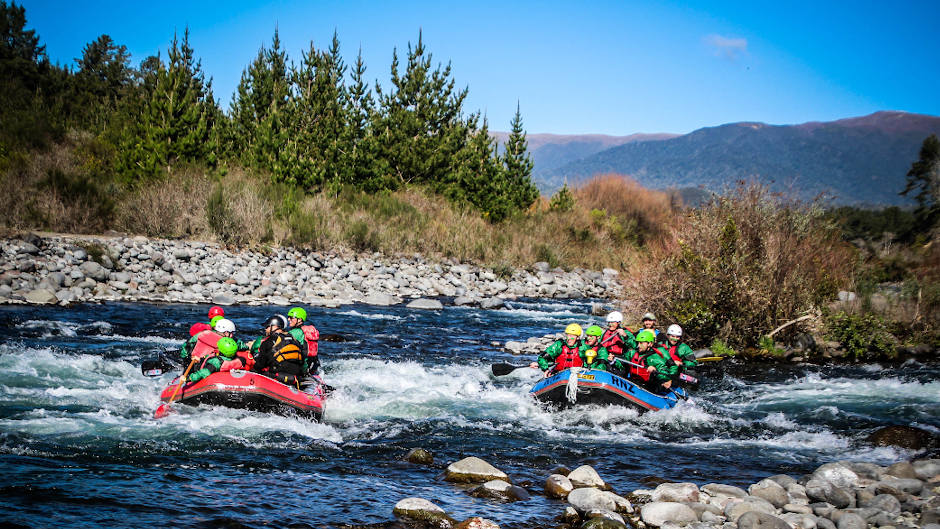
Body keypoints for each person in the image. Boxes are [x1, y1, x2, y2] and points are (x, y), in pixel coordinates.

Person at [252, 314, 305, 388]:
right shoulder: (294, 340)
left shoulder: (268, 342)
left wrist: (251, 371)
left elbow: (260, 365)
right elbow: (302, 361)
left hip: (277, 377)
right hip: (295, 378)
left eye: (267, 327)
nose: (265, 329)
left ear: (274, 327)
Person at [286, 306, 321, 377]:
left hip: (301, 367)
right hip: (312, 365)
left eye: (291, 317)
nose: (288, 319)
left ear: (299, 320)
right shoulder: (306, 331)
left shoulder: (295, 333)